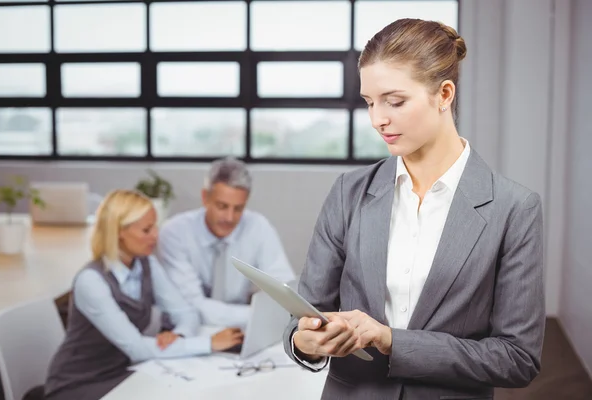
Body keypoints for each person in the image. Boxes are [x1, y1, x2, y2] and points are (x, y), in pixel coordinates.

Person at [283, 18, 545, 400]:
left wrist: (391, 341)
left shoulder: (514, 209)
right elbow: (303, 316)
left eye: (395, 101)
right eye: (370, 102)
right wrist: (305, 340)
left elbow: (517, 358)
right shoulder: (348, 193)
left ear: (444, 94)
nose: (377, 119)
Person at [44, 190, 243, 400]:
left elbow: (186, 312)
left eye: (155, 226)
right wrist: (209, 343)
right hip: (78, 384)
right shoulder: (91, 282)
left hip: (123, 372)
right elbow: (137, 348)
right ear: (119, 231)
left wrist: (180, 335)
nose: (155, 235)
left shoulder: (146, 264)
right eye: (146, 230)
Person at [156, 157, 295, 328]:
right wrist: (257, 315)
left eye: (238, 208)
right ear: (205, 197)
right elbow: (192, 307)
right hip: (185, 332)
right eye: (222, 206)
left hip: (240, 331)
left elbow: (285, 290)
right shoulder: (174, 232)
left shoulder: (258, 227)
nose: (229, 218)